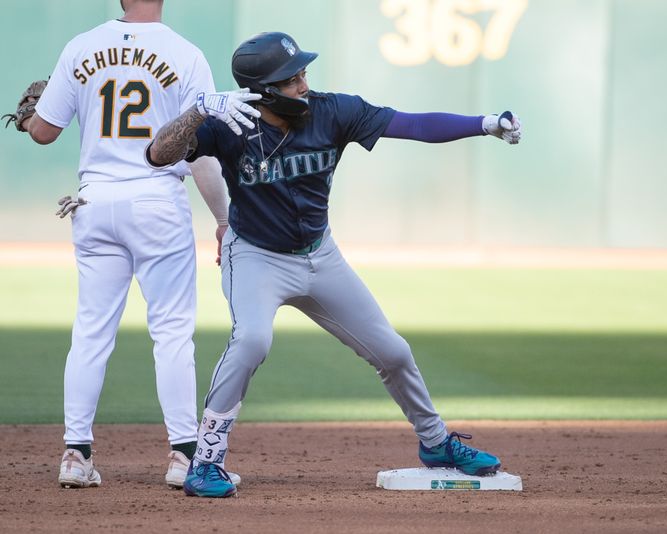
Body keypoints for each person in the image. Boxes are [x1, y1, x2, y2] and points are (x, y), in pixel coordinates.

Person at [147, 31, 522, 498]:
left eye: (303, 73)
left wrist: (484, 122)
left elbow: (414, 126)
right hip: (257, 258)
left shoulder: (333, 111)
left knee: (393, 352)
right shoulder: (229, 123)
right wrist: (199, 110)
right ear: (263, 89)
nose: (304, 84)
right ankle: (205, 461)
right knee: (251, 341)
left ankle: (436, 442)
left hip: (321, 257)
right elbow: (158, 153)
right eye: (292, 78)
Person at [9, 0, 239, 490]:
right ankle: (183, 457)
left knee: (91, 330)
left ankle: (75, 453)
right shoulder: (186, 54)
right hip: (156, 200)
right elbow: (198, 154)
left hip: (94, 202)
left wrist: (29, 120)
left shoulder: (81, 47)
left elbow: (45, 132)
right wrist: (222, 218)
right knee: (172, 332)